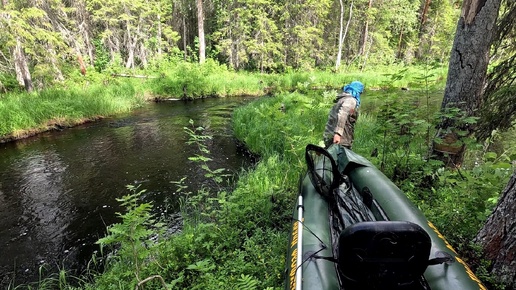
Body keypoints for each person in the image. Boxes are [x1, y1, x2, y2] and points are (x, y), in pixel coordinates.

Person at [323, 81, 364, 150]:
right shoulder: (351, 100)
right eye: (360, 92)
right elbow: (343, 115)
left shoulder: (341, 99)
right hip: (340, 139)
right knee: (340, 159)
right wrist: (338, 134)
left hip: (330, 135)